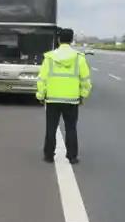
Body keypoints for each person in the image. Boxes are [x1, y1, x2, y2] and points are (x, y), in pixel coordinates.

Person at [37, 28, 92, 165]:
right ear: (72, 40)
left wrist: (40, 95)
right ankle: (72, 157)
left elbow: (42, 79)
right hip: (72, 100)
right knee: (71, 128)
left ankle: (49, 155)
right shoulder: (79, 58)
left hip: (52, 98)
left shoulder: (49, 57)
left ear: (59, 40)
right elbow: (86, 81)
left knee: (51, 128)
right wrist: (82, 95)